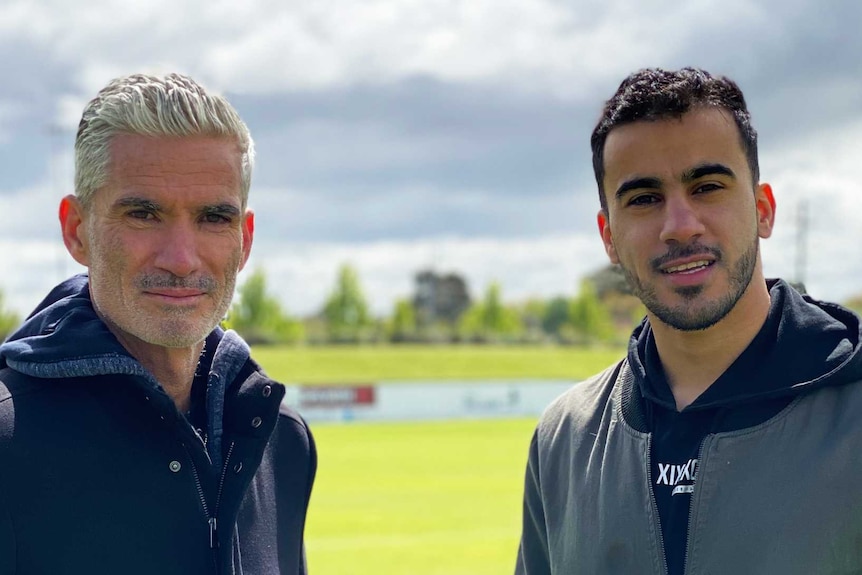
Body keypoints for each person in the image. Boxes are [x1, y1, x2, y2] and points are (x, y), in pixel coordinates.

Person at [515, 67, 862, 574]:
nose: (680, 226)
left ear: (763, 210)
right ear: (608, 236)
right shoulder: (564, 439)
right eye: (644, 199)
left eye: (707, 186)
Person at [0, 74, 316, 574]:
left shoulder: (281, 438)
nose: (182, 259)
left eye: (214, 218)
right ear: (76, 231)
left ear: (245, 240)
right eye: (144, 214)